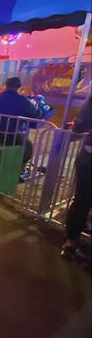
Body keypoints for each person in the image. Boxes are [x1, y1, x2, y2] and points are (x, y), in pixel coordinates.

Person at [0, 77, 42, 180]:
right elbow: (36, 114)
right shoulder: (22, 100)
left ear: (6, 86)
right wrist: (35, 105)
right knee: (28, 147)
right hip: (9, 136)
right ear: (19, 87)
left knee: (23, 140)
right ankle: (19, 172)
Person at [60, 95, 91, 269]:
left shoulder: (88, 109)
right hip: (89, 160)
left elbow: (79, 126)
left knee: (81, 200)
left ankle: (71, 242)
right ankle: (71, 241)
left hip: (88, 158)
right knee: (82, 200)